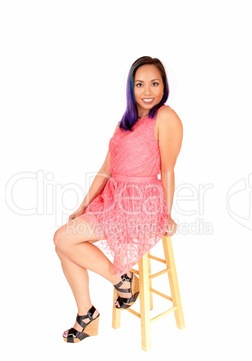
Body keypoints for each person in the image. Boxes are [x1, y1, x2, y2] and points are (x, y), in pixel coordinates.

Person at [53, 56, 183, 343]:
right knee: (63, 241)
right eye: (139, 84)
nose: (147, 91)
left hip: (142, 205)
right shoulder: (124, 123)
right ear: (131, 88)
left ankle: (119, 285)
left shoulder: (165, 117)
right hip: (113, 201)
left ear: (164, 87)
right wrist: (83, 205)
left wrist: (167, 214)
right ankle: (94, 305)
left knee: (63, 240)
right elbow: (105, 170)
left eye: (154, 83)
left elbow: (168, 169)